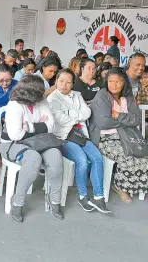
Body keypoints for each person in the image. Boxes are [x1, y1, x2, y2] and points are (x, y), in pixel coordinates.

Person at [1, 74, 64, 222]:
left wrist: (28, 126)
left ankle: (54, 199)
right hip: (12, 144)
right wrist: (39, 126)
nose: (43, 94)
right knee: (33, 159)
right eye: (40, 92)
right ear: (30, 93)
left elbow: (50, 126)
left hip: (38, 141)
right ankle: (17, 201)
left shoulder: (41, 101)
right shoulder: (15, 105)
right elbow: (16, 135)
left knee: (55, 157)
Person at [47, 69, 110, 213]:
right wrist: (77, 114)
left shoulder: (77, 95)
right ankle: (83, 196)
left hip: (80, 135)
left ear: (73, 84)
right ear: (56, 81)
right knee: (81, 159)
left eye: (68, 82)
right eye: (61, 81)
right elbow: (59, 119)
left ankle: (99, 197)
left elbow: (87, 113)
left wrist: (69, 113)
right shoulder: (52, 99)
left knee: (97, 158)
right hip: (63, 137)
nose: (64, 85)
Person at [89, 67, 148, 202]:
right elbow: (103, 122)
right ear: (106, 81)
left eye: (118, 82)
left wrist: (119, 115)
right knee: (128, 157)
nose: (114, 85)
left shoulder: (128, 96)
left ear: (124, 83)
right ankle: (121, 186)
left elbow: (137, 119)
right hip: (105, 138)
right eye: (111, 81)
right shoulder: (102, 95)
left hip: (127, 136)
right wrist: (126, 121)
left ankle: (137, 186)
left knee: (143, 156)